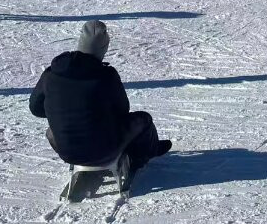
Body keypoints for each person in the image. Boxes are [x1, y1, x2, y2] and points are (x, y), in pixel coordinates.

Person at [30, 21, 172, 174]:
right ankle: (144, 154)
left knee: (51, 131)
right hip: (104, 150)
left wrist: (62, 111)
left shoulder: (51, 74)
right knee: (143, 119)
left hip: (67, 152)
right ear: (103, 49)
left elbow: (36, 109)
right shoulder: (106, 75)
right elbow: (123, 110)